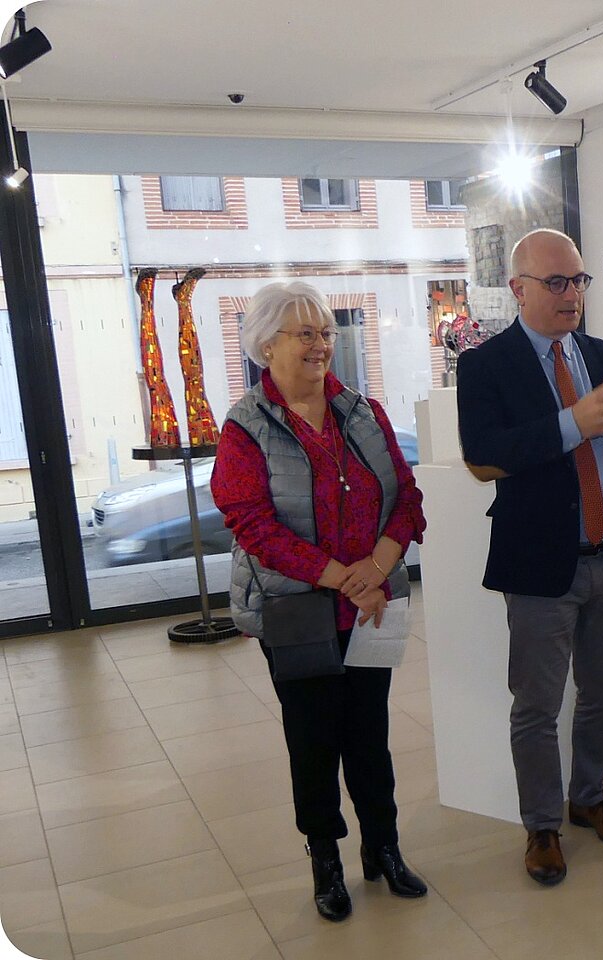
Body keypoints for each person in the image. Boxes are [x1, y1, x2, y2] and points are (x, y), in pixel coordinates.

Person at [456, 228, 603, 886]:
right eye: (556, 282)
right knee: (537, 702)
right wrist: (572, 424)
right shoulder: (486, 366)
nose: (571, 294)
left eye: (578, 281)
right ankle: (542, 826)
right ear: (518, 289)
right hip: (539, 564)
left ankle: (588, 798)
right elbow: (483, 456)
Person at [212, 281, 428, 922]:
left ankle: (383, 848)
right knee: (313, 742)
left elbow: (407, 497)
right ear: (266, 344)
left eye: (325, 332)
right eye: (304, 333)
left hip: (369, 607)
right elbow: (250, 524)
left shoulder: (363, 411)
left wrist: (379, 565)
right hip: (299, 613)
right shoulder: (245, 426)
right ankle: (326, 861)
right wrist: (341, 575)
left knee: (371, 736)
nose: (320, 344)